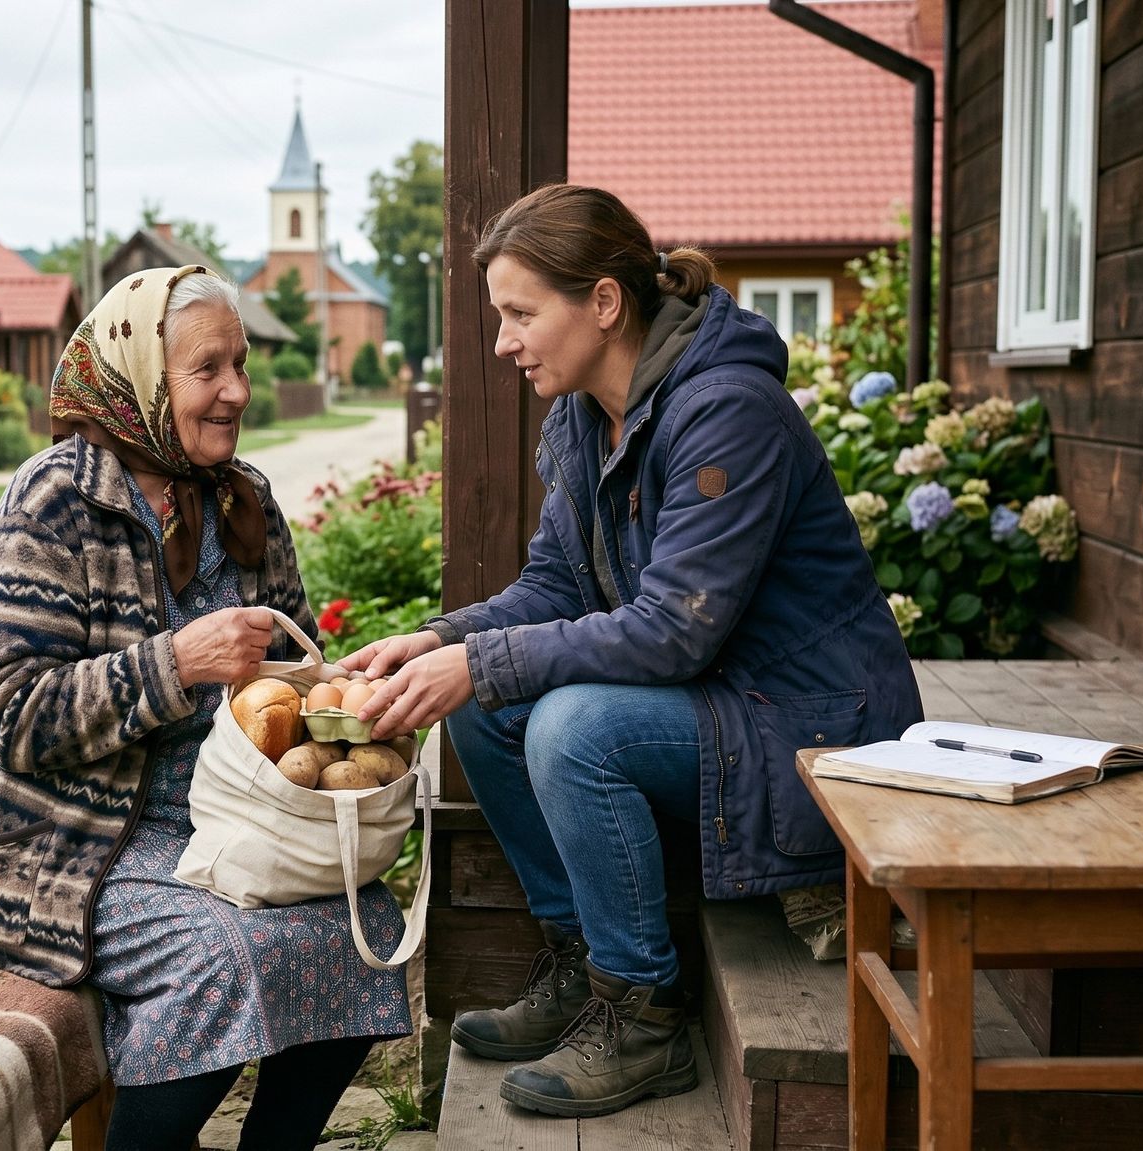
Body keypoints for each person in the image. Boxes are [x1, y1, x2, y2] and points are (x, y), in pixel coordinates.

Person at [341, 185, 923, 1119]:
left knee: (573, 727)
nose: (504, 341)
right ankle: (581, 961)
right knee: (482, 703)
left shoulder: (727, 410)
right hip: (726, 705)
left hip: (815, 728)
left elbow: (675, 627)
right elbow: (554, 589)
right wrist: (443, 640)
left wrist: (482, 660)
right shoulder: (585, 417)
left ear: (604, 302)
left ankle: (643, 1013)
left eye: (521, 313)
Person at [0, 265, 411, 1151]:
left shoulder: (243, 498)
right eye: (208, 369)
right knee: (221, 957)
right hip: (63, 845)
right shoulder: (54, 502)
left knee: (363, 922)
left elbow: (296, 673)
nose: (238, 391)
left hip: (224, 819)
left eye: (241, 364)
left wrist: (353, 702)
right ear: (141, 377)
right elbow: (13, 714)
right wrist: (175, 662)